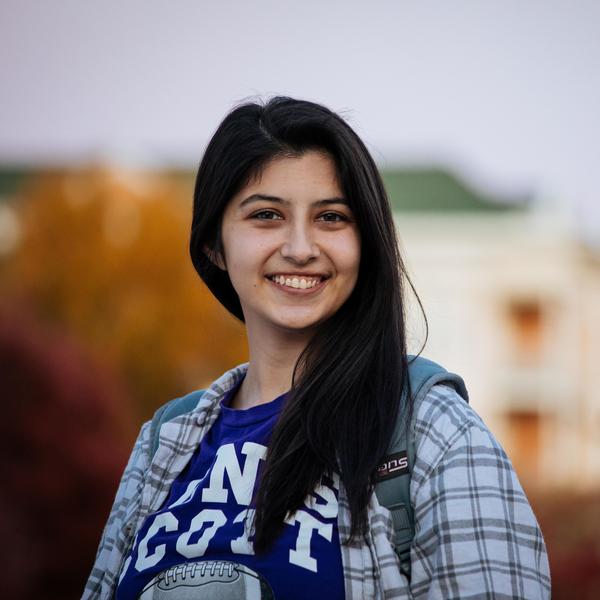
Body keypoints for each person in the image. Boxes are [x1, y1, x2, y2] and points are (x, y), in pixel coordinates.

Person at [83, 97, 551, 599]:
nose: (302, 247)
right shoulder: (164, 442)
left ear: (365, 242)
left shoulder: (429, 427)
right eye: (266, 215)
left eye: (331, 217)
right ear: (214, 247)